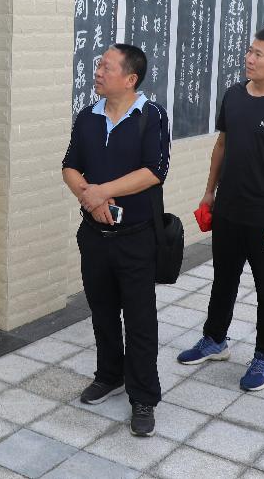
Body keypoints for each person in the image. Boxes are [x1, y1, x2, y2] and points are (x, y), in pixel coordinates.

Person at [177, 28, 264, 392]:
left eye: (259, 54)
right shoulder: (234, 95)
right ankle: (214, 340)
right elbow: (222, 145)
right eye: (250, 51)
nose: (250, 59)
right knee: (223, 279)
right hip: (228, 209)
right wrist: (209, 192)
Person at [62, 43, 170, 437]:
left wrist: (101, 191)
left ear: (130, 78)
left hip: (136, 237)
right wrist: (89, 199)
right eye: (98, 65)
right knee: (102, 310)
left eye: (106, 67)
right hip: (94, 234)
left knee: (139, 318)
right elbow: (70, 166)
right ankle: (110, 374)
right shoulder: (87, 117)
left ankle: (143, 395)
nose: (98, 72)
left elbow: (154, 171)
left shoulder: (151, 116)